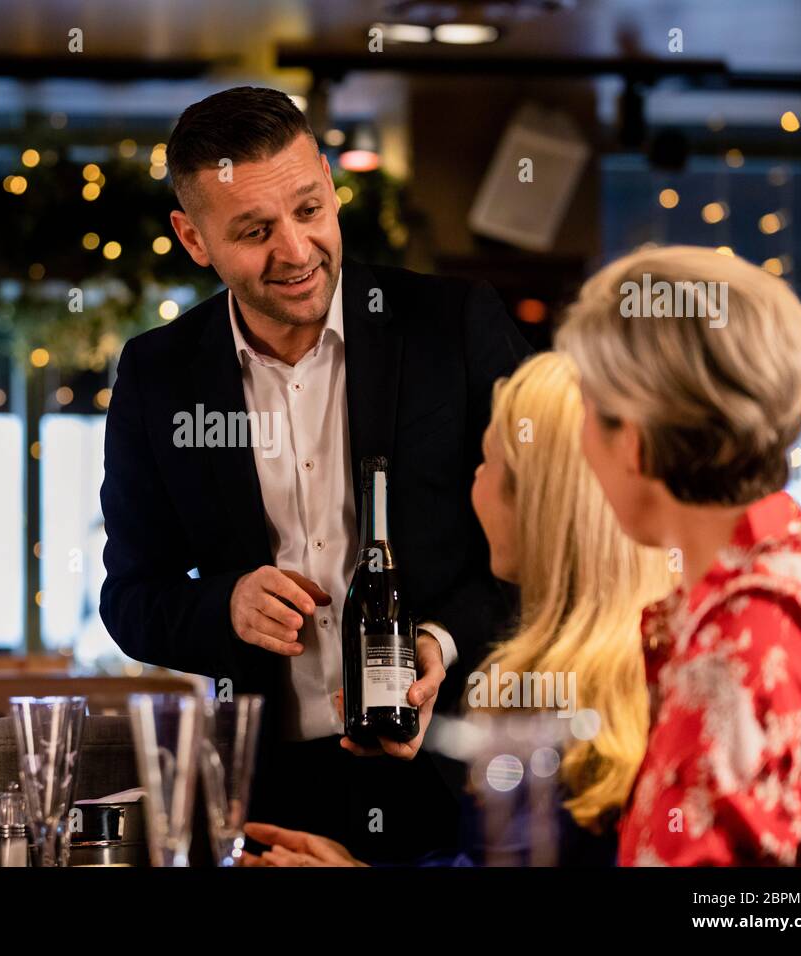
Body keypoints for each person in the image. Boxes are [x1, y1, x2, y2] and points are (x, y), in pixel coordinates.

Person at [100, 86, 531, 862]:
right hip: (273, 790)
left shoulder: (454, 327)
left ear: (331, 185)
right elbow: (130, 597)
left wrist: (442, 640)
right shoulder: (157, 375)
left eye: (308, 210)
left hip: (461, 773)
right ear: (193, 239)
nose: (296, 251)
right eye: (254, 231)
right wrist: (223, 605)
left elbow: (549, 539)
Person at [243, 352, 673, 865]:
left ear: (540, 501)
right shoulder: (633, 659)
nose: (474, 483)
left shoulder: (567, 710)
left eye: (488, 461)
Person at [557, 244, 801, 865]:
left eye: (590, 412)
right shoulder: (791, 582)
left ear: (638, 441)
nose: (582, 442)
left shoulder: (749, 632)